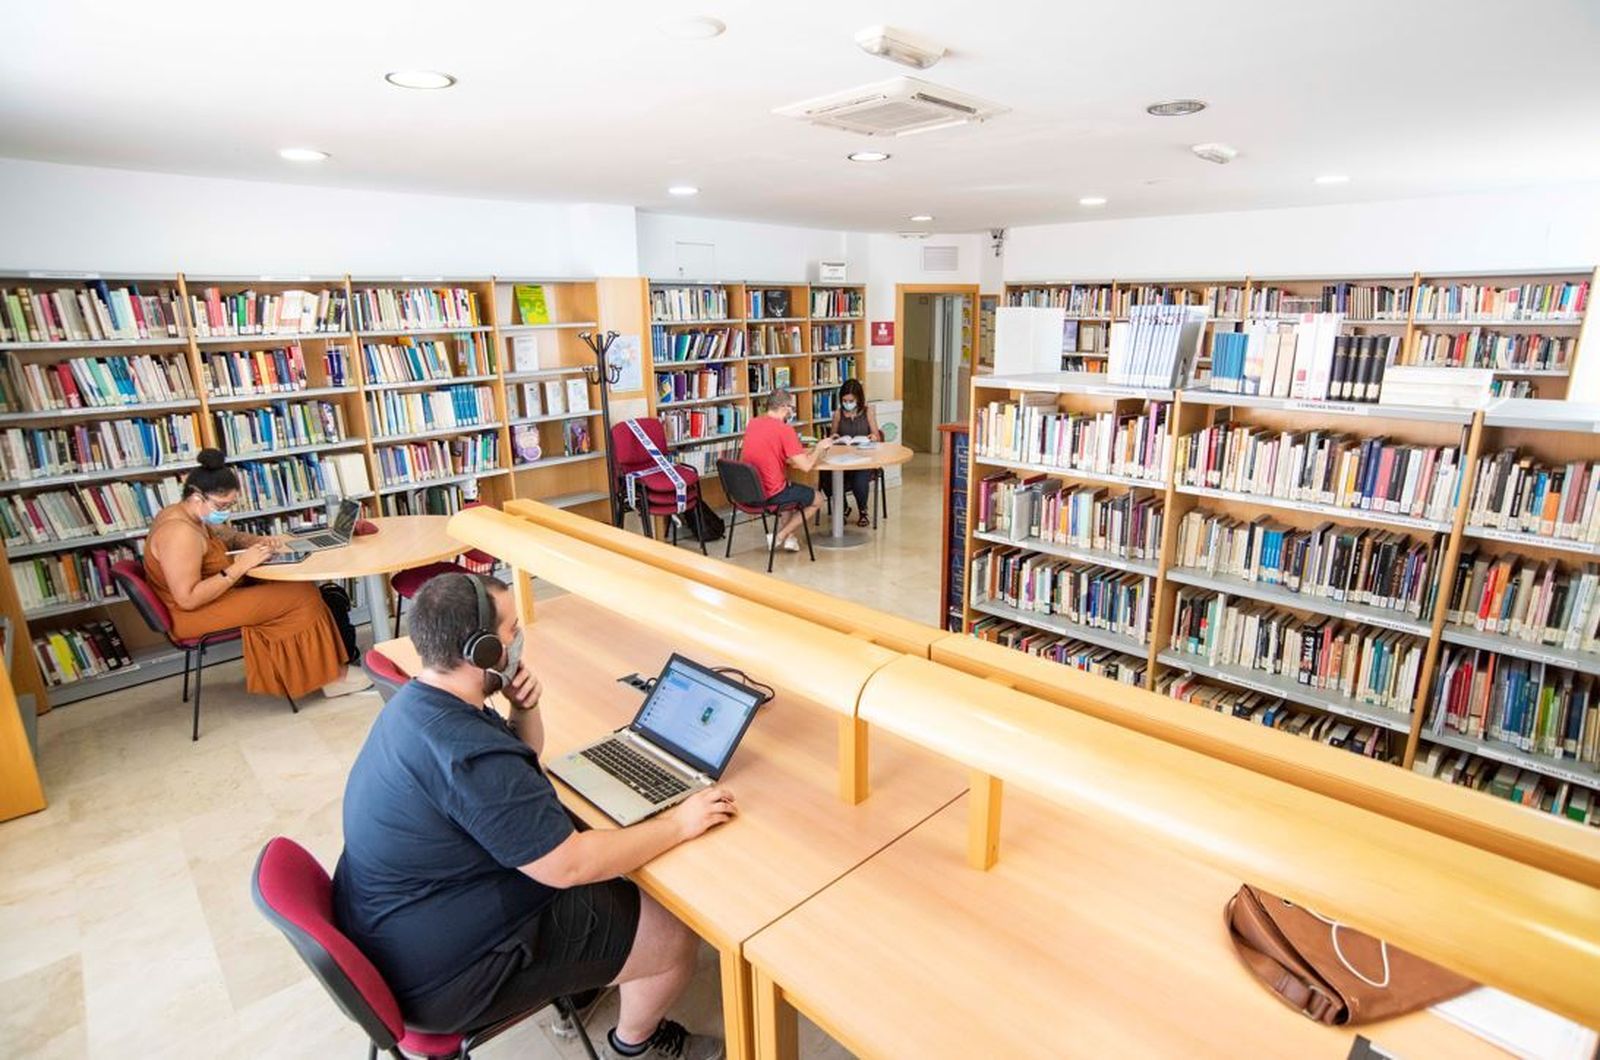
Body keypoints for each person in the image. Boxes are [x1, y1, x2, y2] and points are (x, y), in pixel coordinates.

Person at [333, 573, 731, 1060]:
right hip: (445, 977)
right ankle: (636, 1044)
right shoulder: (466, 753)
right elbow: (567, 865)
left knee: (609, 875)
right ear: (481, 650)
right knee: (672, 932)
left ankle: (591, 973)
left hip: (402, 926)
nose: (517, 640)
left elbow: (515, 762)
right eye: (510, 631)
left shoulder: (425, 703)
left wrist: (526, 708)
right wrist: (678, 824)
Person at [143, 448, 370, 699]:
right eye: (222, 505)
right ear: (197, 497)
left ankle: (317, 669)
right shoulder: (179, 533)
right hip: (192, 613)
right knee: (300, 596)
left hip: (209, 599)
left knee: (292, 586)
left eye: (230, 504)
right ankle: (331, 678)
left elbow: (223, 535)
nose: (226, 511)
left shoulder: (187, 514)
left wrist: (253, 541)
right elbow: (188, 599)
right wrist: (240, 566)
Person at [738, 388, 833, 552]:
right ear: (784, 407)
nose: (792, 412)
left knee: (787, 488)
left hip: (749, 492)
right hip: (771, 494)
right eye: (792, 408)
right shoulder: (785, 430)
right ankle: (780, 535)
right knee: (818, 499)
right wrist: (819, 448)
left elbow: (772, 452)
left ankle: (790, 538)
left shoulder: (753, 423)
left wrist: (800, 454)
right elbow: (806, 467)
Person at [818, 378, 882, 528]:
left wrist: (873, 437)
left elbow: (877, 436)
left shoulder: (868, 412)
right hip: (842, 458)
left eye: (851, 400)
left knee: (859, 477)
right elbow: (832, 436)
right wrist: (833, 437)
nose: (847, 403)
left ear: (858, 399)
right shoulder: (838, 414)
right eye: (844, 400)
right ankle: (843, 507)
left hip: (864, 458)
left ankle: (863, 511)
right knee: (826, 474)